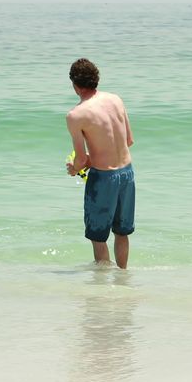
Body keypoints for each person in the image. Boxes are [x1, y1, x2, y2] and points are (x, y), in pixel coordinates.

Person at [65, 58, 135, 269]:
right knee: (121, 232)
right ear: (96, 79)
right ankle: (123, 277)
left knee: (98, 236)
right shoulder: (116, 100)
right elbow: (129, 141)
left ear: (75, 85)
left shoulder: (76, 115)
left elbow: (81, 159)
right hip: (127, 174)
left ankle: (103, 291)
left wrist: (75, 168)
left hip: (103, 179)